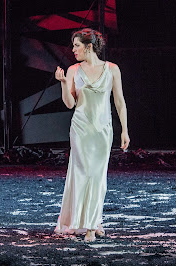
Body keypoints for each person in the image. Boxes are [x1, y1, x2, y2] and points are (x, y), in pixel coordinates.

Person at [54, 28, 130, 242]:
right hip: (81, 129)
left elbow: (120, 102)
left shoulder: (112, 69)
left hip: (102, 130)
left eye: (76, 46)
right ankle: (86, 224)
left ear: (89, 47)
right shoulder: (73, 70)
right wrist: (63, 83)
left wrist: (124, 129)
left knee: (97, 177)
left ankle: (94, 221)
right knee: (82, 173)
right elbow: (70, 104)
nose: (73, 49)